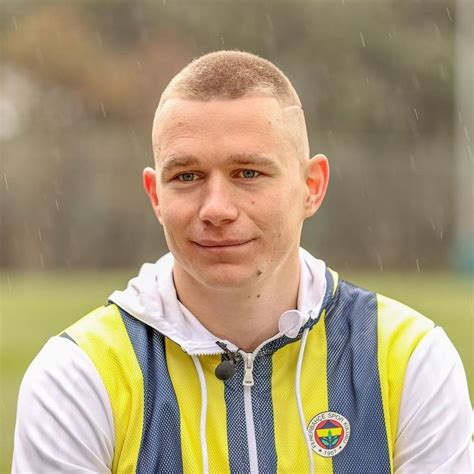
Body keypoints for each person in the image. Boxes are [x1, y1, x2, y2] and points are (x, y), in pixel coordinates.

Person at [13, 51, 472, 473]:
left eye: (247, 173)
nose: (216, 208)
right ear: (156, 195)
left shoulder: (410, 359)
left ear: (311, 185)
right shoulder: (79, 376)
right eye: (187, 176)